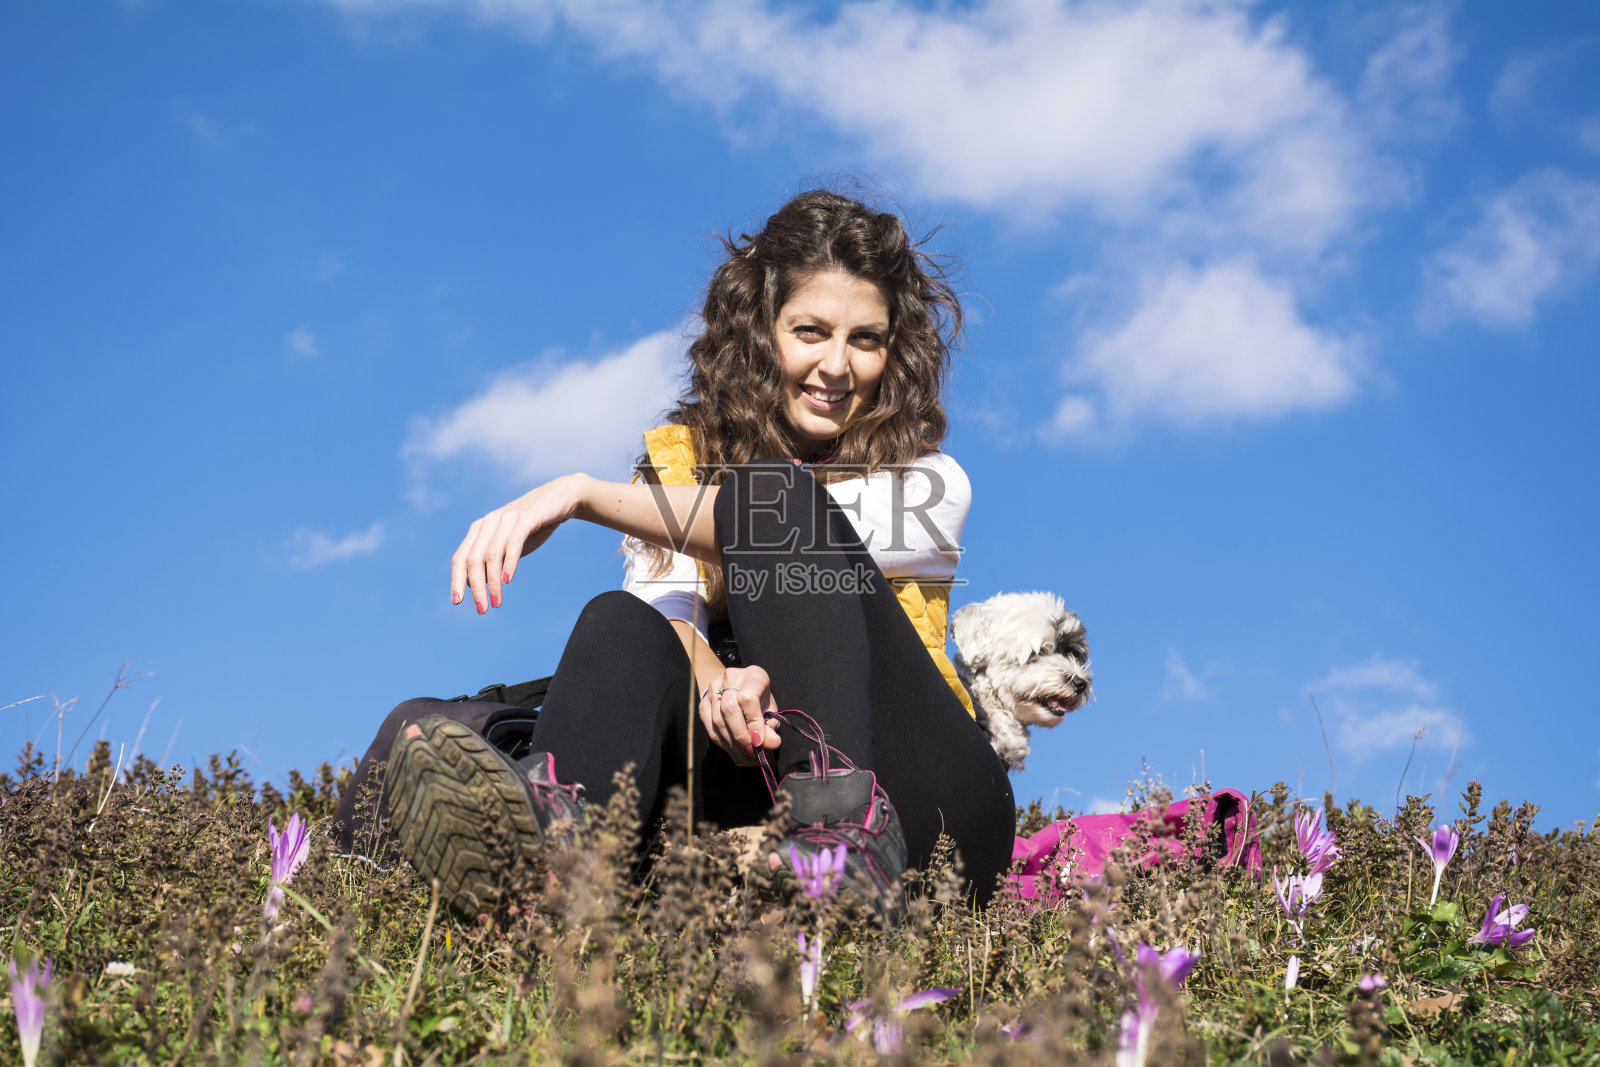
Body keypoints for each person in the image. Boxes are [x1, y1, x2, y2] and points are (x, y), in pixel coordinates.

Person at [332, 190, 1015, 917]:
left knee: (771, 495)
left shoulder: (929, 480)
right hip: (750, 774)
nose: (838, 365)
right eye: (810, 331)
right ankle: (551, 875)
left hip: (931, 808)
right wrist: (723, 682)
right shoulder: (679, 462)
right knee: (616, 622)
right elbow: (671, 617)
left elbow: (769, 519)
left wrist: (580, 494)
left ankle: (842, 839)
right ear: (760, 332)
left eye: (867, 339)